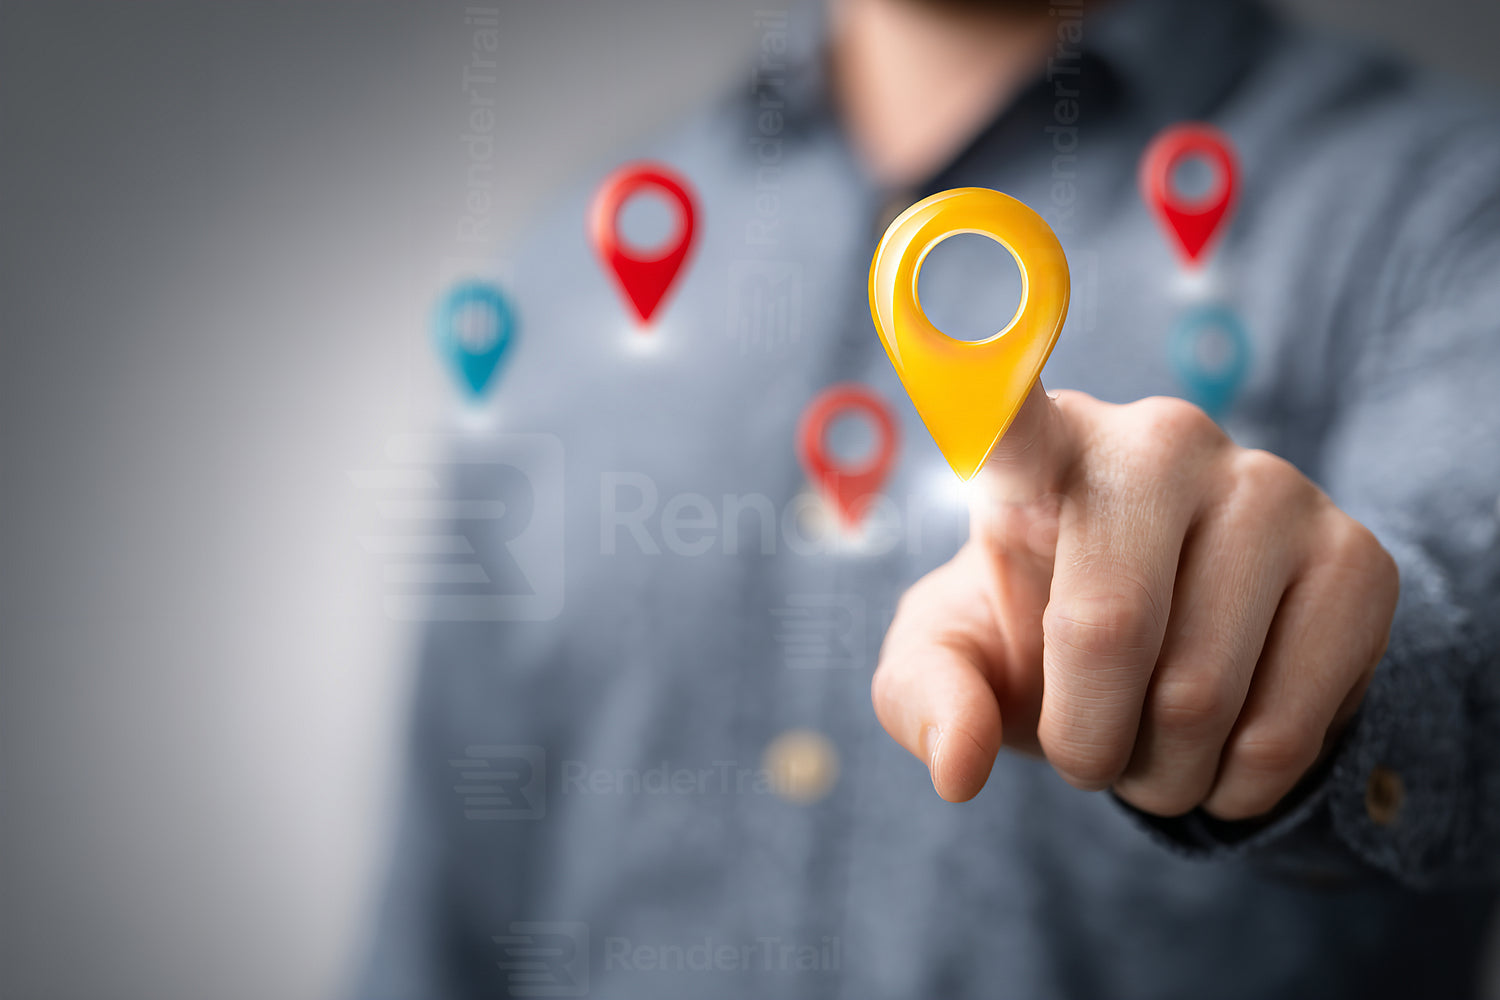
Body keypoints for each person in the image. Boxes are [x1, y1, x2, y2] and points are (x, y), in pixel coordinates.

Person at [354, 0, 1500, 996]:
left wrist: (1325, 674)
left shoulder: (1450, 214)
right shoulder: (562, 276)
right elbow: (447, 908)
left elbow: (1460, 621)